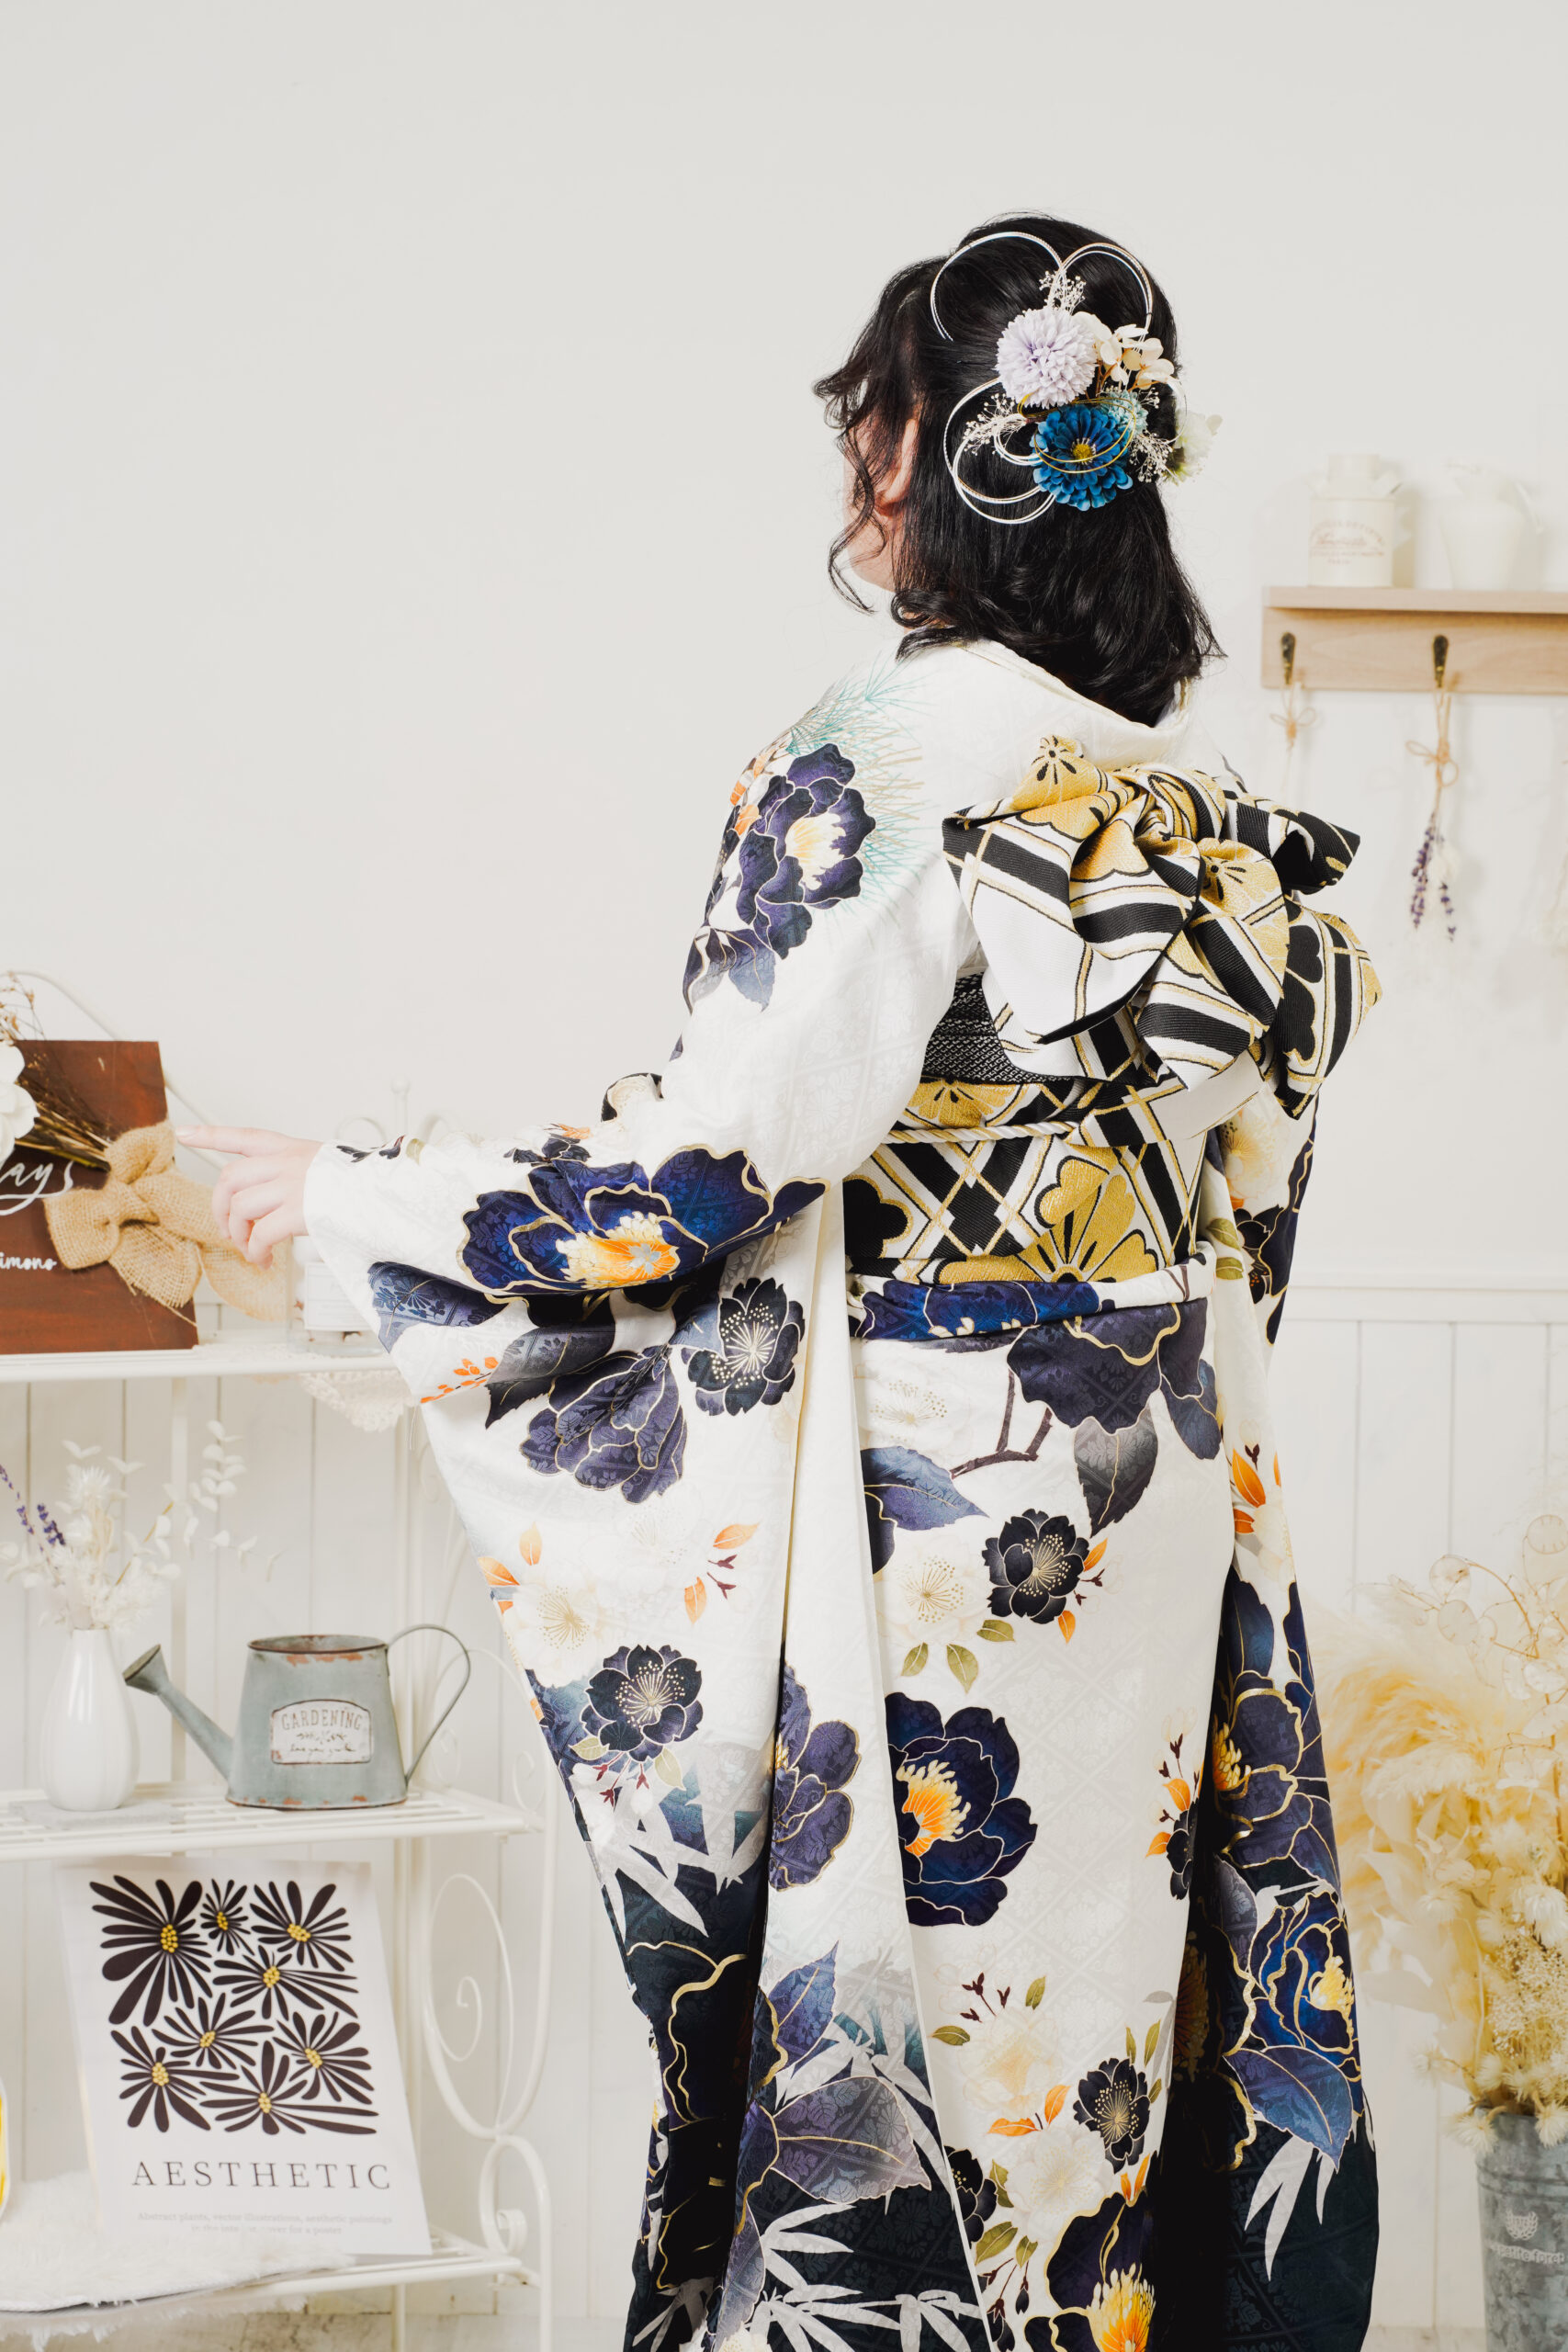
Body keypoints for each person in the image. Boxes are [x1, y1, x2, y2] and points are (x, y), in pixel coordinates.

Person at [184, 213, 1381, 2352]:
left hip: (937, 1492)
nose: (856, 470)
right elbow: (1249, 1208)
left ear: (932, 455)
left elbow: (712, 1160)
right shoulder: (1197, 793)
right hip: (1145, 1486)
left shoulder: (890, 752)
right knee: (1087, 2043)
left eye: (874, 427)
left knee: (926, 2046)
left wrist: (362, 1196)